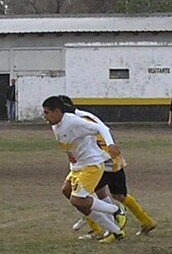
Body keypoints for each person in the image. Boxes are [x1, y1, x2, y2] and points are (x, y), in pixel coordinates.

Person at [59, 95, 157, 238]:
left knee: (83, 195)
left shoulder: (81, 120)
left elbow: (101, 134)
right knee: (108, 194)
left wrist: (105, 153)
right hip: (102, 161)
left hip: (104, 162)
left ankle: (103, 225)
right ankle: (145, 221)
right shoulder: (75, 118)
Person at [42, 95, 125, 244]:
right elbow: (70, 142)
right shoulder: (56, 125)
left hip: (91, 165)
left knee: (78, 200)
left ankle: (116, 210)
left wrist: (110, 144)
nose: (44, 116)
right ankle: (116, 231)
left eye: (47, 112)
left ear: (57, 111)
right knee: (66, 191)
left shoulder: (73, 121)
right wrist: (71, 155)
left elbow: (101, 127)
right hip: (78, 166)